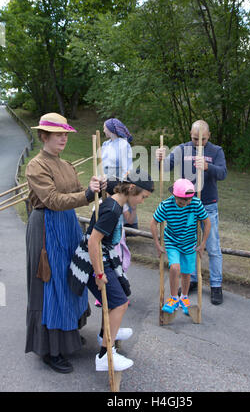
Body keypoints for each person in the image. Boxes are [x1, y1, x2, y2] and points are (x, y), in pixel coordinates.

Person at [25, 112, 104, 374]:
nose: (63, 139)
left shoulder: (67, 164)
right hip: (47, 228)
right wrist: (86, 194)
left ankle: (67, 334)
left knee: (72, 278)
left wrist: (93, 188)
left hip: (68, 225)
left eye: (65, 134)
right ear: (44, 136)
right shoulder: (36, 166)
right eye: (58, 134)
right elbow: (53, 200)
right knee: (53, 284)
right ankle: (51, 349)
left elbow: (77, 192)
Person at [87, 169, 154, 371]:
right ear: (132, 188)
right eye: (143, 197)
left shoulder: (116, 201)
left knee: (120, 294)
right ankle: (105, 356)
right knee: (120, 303)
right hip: (96, 261)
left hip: (106, 258)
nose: (143, 201)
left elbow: (112, 181)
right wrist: (99, 274)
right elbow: (93, 242)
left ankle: (106, 334)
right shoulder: (113, 210)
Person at [156, 120, 227, 305]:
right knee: (188, 243)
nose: (198, 143)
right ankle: (192, 280)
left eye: (202, 139)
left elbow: (223, 173)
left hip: (207, 204)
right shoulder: (182, 149)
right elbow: (164, 168)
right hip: (185, 206)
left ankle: (216, 285)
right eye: (195, 139)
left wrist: (208, 167)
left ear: (209, 136)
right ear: (190, 134)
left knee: (211, 246)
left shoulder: (216, 151)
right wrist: (160, 159)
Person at [150, 178, 211, 315]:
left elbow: (207, 223)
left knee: (187, 273)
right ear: (175, 196)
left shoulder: (195, 203)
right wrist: (157, 244)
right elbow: (153, 223)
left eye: (188, 200)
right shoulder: (166, 205)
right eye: (182, 201)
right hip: (172, 242)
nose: (186, 204)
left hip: (189, 243)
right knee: (175, 267)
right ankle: (173, 298)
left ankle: (184, 297)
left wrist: (203, 244)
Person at [102, 118, 138, 233]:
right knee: (106, 202)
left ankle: (119, 230)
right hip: (107, 176)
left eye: (105, 128)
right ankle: (106, 226)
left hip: (118, 178)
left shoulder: (123, 144)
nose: (103, 130)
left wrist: (124, 182)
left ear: (111, 129)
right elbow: (103, 163)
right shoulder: (105, 144)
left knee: (118, 203)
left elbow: (126, 165)